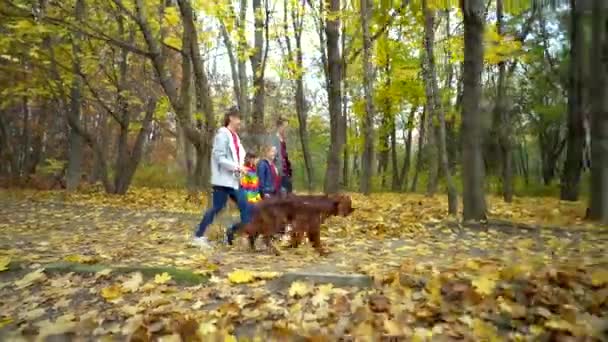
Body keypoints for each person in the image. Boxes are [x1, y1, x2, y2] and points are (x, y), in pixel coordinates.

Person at [191, 106, 250, 249]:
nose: (240, 123)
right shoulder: (222, 135)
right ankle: (198, 236)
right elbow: (219, 158)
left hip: (235, 180)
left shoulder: (235, 137)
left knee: (246, 207)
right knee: (217, 207)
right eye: (238, 119)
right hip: (223, 180)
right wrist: (237, 167)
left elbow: (238, 157)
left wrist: (244, 168)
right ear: (231, 118)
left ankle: (233, 233)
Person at [225, 152, 261, 245]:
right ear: (250, 159)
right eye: (256, 158)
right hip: (246, 200)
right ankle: (232, 232)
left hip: (253, 199)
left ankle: (248, 240)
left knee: (254, 221)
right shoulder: (244, 170)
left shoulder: (253, 170)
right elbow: (244, 187)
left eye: (257, 159)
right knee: (247, 222)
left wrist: (258, 201)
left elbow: (255, 188)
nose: (257, 161)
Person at [271, 117, 293, 194]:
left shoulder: (283, 139)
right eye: (284, 127)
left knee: (288, 192)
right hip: (278, 170)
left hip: (286, 171)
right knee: (280, 193)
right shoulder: (274, 139)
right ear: (279, 127)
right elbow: (272, 155)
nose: (286, 129)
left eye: (286, 127)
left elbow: (285, 155)